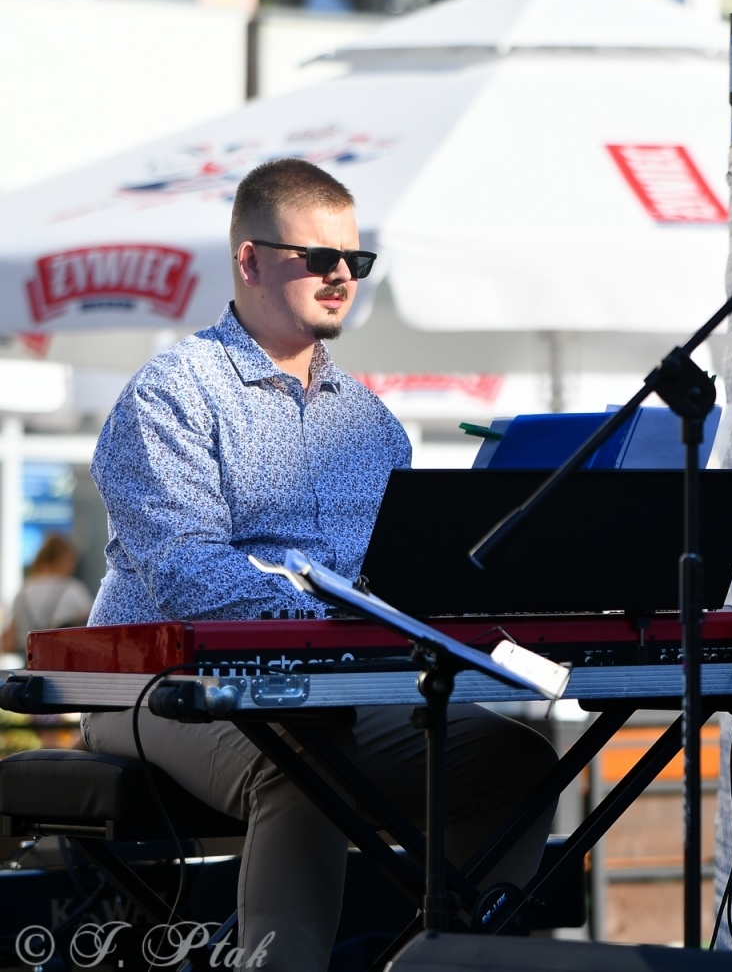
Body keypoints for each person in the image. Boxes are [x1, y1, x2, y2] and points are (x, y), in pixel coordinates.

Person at [80, 158, 559, 970]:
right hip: (151, 682)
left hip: (325, 687)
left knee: (519, 765)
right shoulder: (170, 393)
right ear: (250, 260)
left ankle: (446, 959)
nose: (342, 277)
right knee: (310, 767)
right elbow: (190, 577)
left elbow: (392, 576)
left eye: (356, 261)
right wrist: (341, 619)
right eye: (319, 258)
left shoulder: (375, 426)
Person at [1, 533, 93, 653]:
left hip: (30, 664)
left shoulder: (21, 594)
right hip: (63, 662)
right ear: (64, 559)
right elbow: (93, 629)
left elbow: (10, 642)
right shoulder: (74, 590)